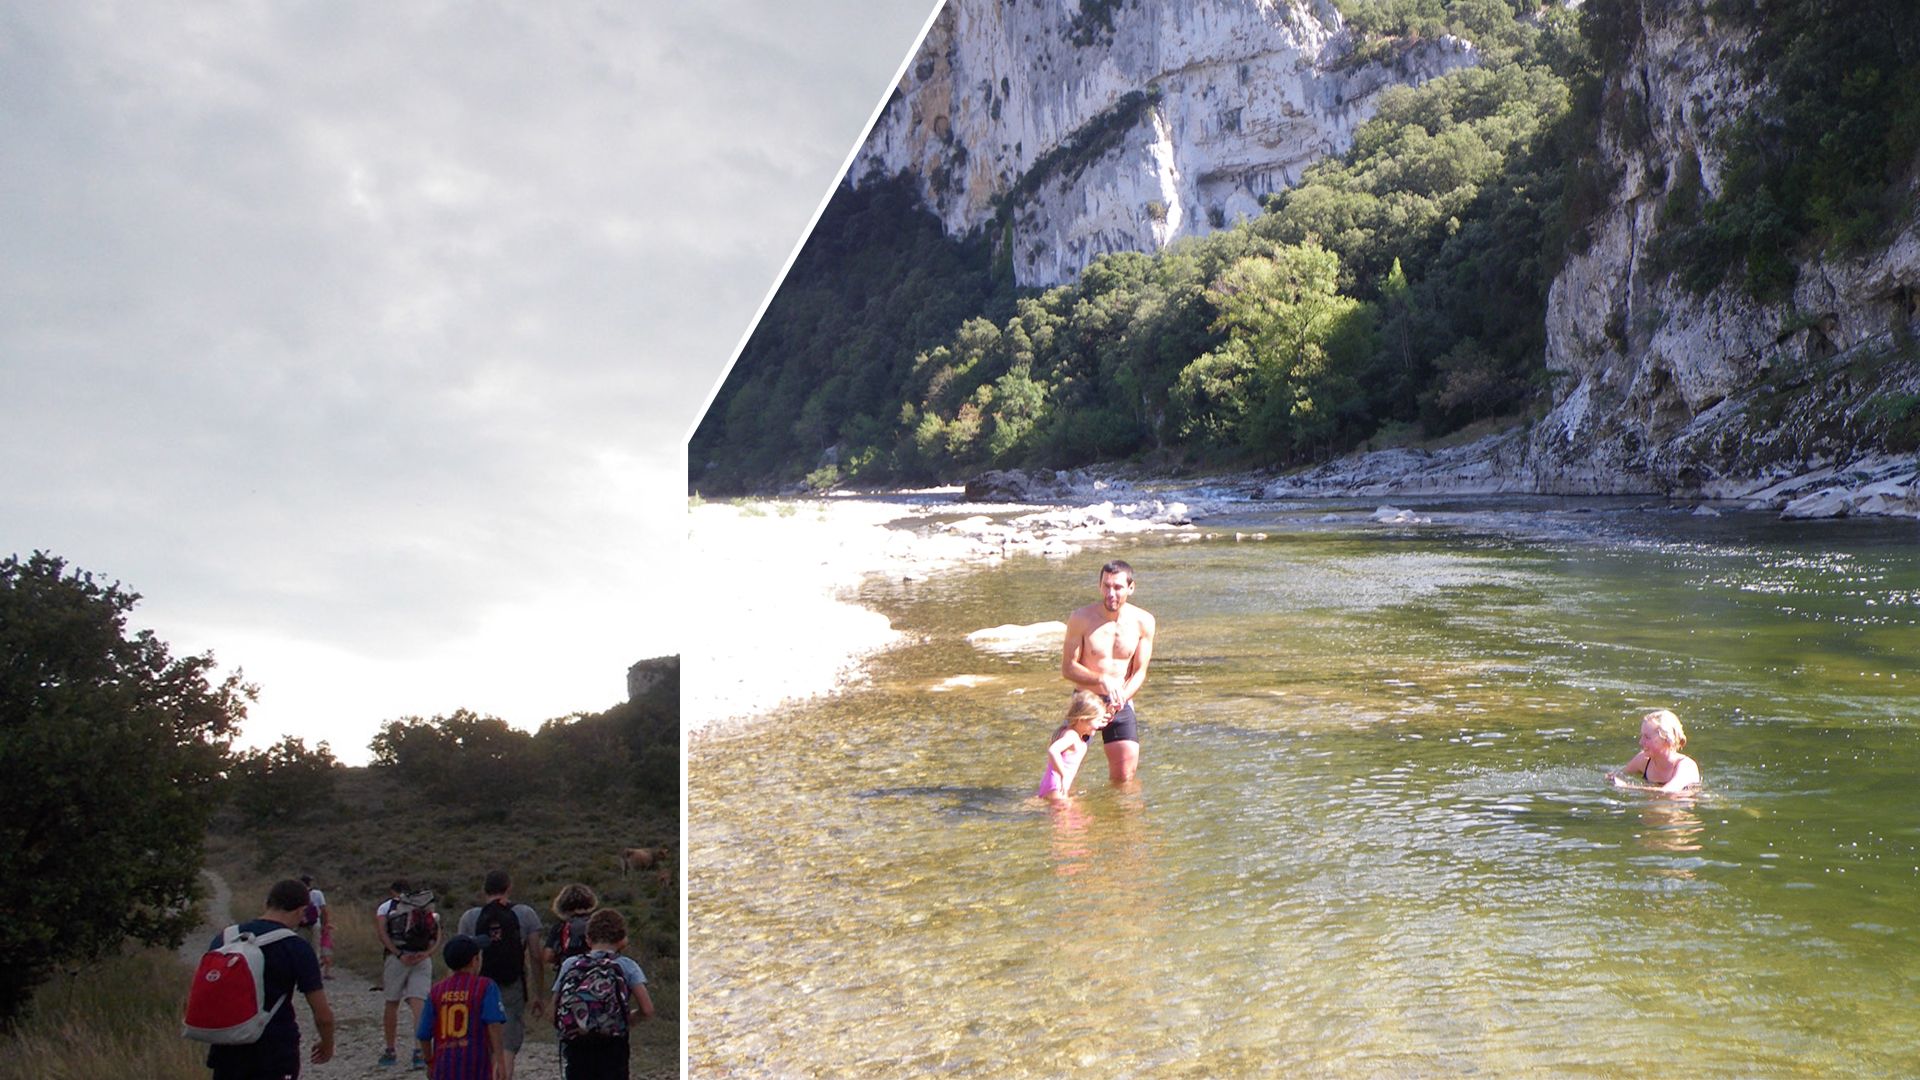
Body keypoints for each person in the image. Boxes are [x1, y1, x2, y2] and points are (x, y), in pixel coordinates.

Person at [203, 878, 336, 1080]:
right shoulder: (296, 947)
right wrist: (327, 1044)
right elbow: (322, 1015)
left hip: (227, 1045)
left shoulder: (225, 938)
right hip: (275, 1049)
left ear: (267, 903)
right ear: (301, 911)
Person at [1062, 559, 1157, 784]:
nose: (1111, 593)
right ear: (1099, 585)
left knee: (1125, 778)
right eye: (1106, 586)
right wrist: (1101, 679)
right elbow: (1067, 668)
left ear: (1131, 588)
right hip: (1086, 701)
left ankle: (1119, 818)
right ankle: (1063, 815)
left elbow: (1139, 672)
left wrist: (1122, 697)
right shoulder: (1081, 619)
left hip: (1120, 703)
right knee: (1063, 773)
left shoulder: (1143, 622)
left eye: (1117, 587)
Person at [458, 870, 548, 1080]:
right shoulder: (525, 914)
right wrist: (538, 994)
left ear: (484, 890)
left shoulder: (470, 917)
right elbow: (535, 956)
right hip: (512, 983)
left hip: (478, 985)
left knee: (484, 1043)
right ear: (509, 888)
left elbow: (459, 960)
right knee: (507, 1043)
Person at [550, 907, 654, 1080]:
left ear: (588, 939)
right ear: (623, 940)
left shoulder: (570, 964)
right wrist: (622, 1020)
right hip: (612, 1046)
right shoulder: (627, 966)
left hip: (577, 1044)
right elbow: (647, 1009)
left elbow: (552, 1010)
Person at [416, 934, 507, 1080]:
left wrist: (430, 1062)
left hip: (444, 1066)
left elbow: (423, 1034)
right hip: (476, 1065)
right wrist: (500, 1061)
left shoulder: (436, 991)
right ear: (475, 961)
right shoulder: (485, 986)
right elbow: (493, 1024)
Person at [376, 880, 441, 1069]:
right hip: (422, 959)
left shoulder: (386, 907)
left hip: (396, 959)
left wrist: (398, 954)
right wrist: (427, 954)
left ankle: (390, 1050)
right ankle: (419, 1052)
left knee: (392, 1002)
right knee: (418, 1005)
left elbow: (382, 934)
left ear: (393, 891)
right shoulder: (425, 904)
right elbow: (437, 935)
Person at [1608, 708, 1702, 794]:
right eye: (1642, 736)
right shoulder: (1643, 760)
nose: (1641, 742)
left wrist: (1627, 787)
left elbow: (1668, 792)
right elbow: (1618, 775)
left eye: (1647, 737)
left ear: (1666, 740)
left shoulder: (1686, 766)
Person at [1035, 690, 1107, 802]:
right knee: (1071, 818)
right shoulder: (1072, 736)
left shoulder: (1072, 732)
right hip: (1058, 786)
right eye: (1097, 720)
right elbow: (1053, 750)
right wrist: (1063, 775)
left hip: (1052, 784)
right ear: (1082, 720)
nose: (1099, 726)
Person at [544, 883, 599, 970]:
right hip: (594, 972)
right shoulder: (597, 924)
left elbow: (548, 956)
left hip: (568, 972)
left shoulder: (560, 927)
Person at [296, 874, 332, 980]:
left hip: (300, 923)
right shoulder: (317, 894)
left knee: (301, 947)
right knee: (315, 949)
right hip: (315, 923)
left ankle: (301, 972)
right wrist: (325, 924)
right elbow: (324, 910)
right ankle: (314, 973)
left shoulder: (297, 894)